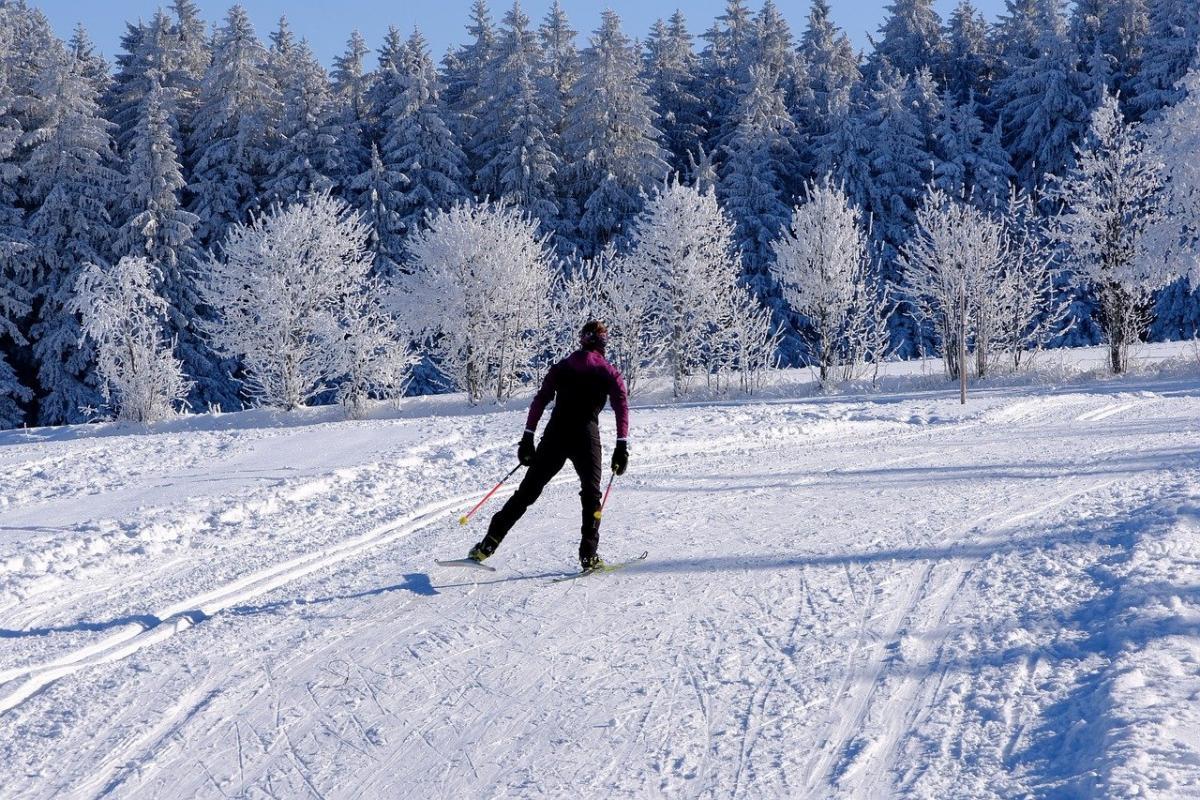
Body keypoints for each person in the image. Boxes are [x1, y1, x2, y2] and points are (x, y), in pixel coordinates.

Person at [469, 320, 630, 570]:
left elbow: (540, 400)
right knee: (591, 495)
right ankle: (588, 556)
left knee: (527, 492)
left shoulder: (562, 367)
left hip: (555, 434)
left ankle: (489, 543)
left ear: (582, 340)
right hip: (586, 436)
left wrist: (528, 437)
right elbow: (621, 406)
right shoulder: (609, 372)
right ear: (603, 342)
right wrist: (621, 444)